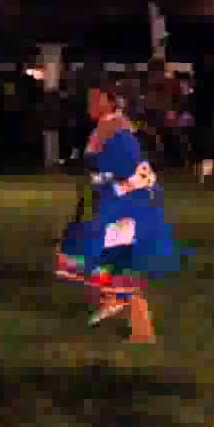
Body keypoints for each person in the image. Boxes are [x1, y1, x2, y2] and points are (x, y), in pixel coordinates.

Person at [55, 82, 183, 343]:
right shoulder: (105, 128)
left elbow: (138, 175)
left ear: (112, 102)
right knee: (102, 257)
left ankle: (131, 318)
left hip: (131, 208)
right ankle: (119, 305)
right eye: (88, 99)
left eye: (96, 99)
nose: (90, 105)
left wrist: (113, 193)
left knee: (107, 258)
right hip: (118, 204)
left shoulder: (119, 132)